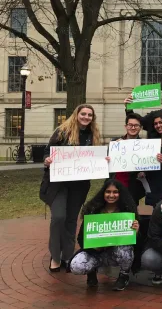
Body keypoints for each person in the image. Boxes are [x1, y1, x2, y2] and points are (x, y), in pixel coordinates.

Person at [41, 104, 103, 273]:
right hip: (58, 184)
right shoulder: (62, 131)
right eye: (83, 114)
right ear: (77, 115)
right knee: (58, 217)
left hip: (79, 184)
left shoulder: (93, 135)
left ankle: (67, 256)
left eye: (90, 115)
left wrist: (104, 160)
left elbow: (94, 158)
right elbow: (47, 152)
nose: (86, 117)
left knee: (71, 220)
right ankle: (55, 256)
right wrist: (47, 160)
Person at [69, 179, 140, 290]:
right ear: (103, 193)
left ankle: (123, 276)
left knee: (126, 250)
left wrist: (136, 232)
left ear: (120, 194)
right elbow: (81, 238)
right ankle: (91, 272)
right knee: (76, 265)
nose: (111, 195)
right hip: (95, 253)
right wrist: (93, 248)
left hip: (114, 253)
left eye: (115, 192)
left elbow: (134, 243)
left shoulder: (127, 211)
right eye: (108, 192)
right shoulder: (93, 211)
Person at [110, 113, 146, 205]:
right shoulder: (115, 142)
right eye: (130, 125)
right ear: (126, 126)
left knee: (131, 212)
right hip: (115, 183)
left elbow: (148, 165)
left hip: (134, 186)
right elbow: (107, 162)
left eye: (136, 125)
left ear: (140, 127)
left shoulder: (145, 145)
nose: (133, 128)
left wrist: (144, 172)